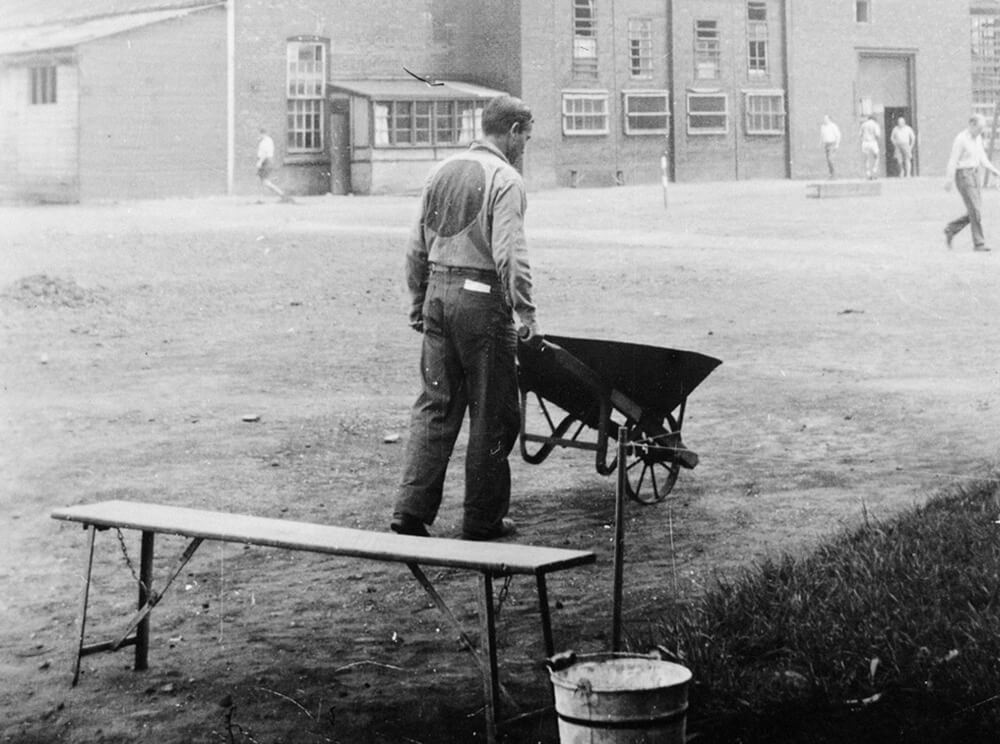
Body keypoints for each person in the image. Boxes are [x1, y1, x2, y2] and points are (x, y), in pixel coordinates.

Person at [391, 95, 541, 541]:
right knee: (493, 414)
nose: (524, 148)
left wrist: (419, 300)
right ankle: (482, 519)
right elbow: (510, 253)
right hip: (482, 304)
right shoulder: (506, 179)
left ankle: (410, 510)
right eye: (526, 139)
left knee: (435, 407)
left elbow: (416, 245)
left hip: (437, 294)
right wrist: (526, 311)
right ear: (512, 132)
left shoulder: (440, 171)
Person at [944, 113, 1000, 252]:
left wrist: (994, 170)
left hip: (975, 174)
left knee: (976, 211)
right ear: (971, 125)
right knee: (975, 210)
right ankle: (979, 243)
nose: (980, 132)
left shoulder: (978, 138)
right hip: (963, 175)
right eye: (979, 128)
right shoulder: (960, 139)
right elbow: (953, 159)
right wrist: (949, 179)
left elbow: (982, 157)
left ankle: (951, 229)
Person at [255, 128, 291, 202]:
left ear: (263, 134)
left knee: (265, 181)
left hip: (266, 162)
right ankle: (260, 198)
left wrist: (260, 162)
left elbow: (265, 153)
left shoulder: (266, 141)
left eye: (260, 134)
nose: (259, 136)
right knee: (261, 180)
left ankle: (282, 194)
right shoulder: (265, 141)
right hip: (266, 161)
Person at [859, 115, 881, 179]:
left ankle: (868, 173)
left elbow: (860, 134)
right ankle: (874, 171)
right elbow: (877, 134)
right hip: (873, 142)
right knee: (876, 157)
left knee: (866, 158)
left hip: (865, 142)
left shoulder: (863, 124)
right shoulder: (875, 124)